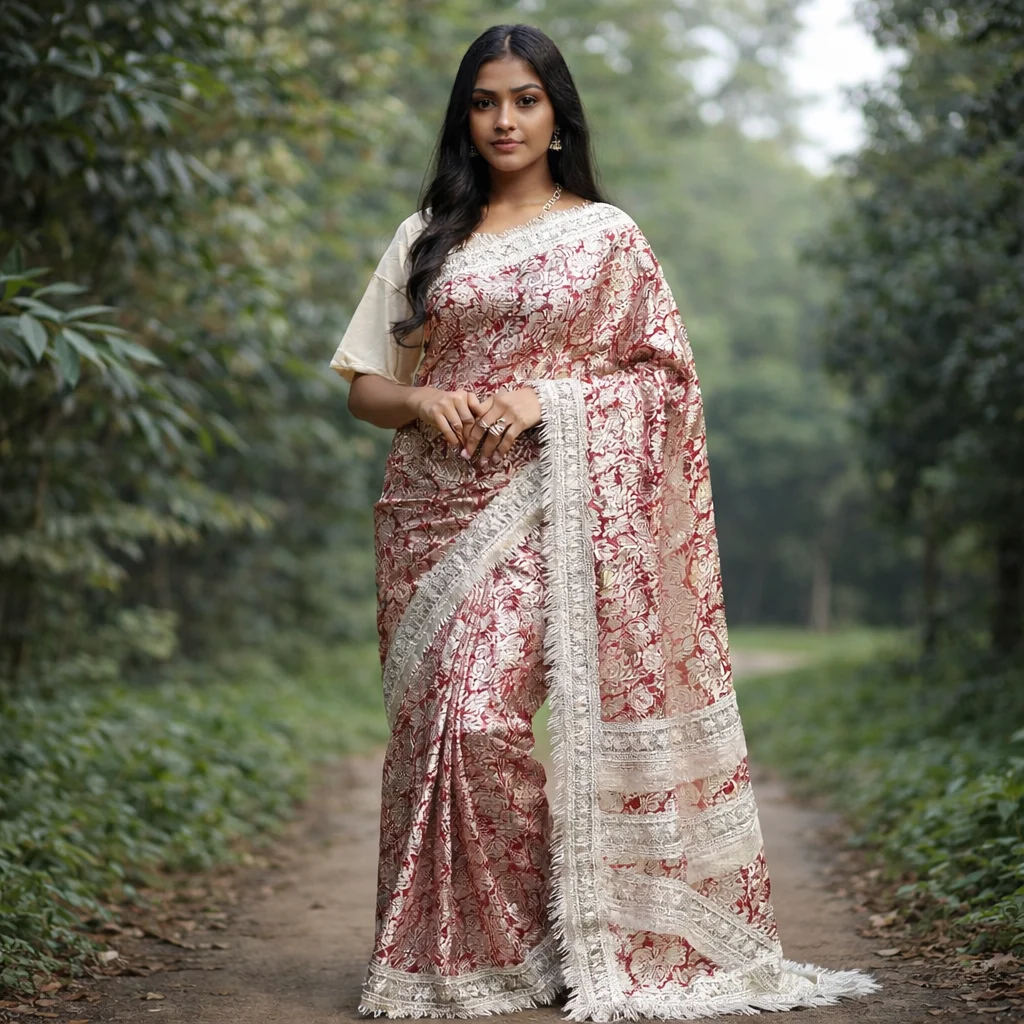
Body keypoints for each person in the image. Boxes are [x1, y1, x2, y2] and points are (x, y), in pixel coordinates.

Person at [331, 22, 879, 1022]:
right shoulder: (426, 236)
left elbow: (666, 382)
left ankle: (562, 925)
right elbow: (366, 384)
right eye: (485, 102)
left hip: (560, 513)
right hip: (432, 516)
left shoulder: (607, 238)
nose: (503, 120)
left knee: (480, 717)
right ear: (463, 116)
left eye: (524, 100)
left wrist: (547, 401)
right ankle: (491, 947)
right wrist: (422, 399)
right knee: (440, 725)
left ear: (557, 116)